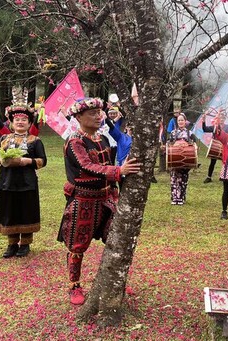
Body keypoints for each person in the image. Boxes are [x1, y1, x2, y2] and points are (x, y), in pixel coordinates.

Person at [58, 97, 141, 305]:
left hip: (107, 199)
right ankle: (74, 285)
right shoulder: (75, 141)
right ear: (78, 117)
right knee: (77, 245)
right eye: (92, 113)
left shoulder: (102, 138)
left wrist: (116, 184)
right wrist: (118, 171)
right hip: (84, 201)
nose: (98, 116)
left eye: (99, 113)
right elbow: (86, 166)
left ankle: (114, 280)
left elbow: (108, 162)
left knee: (116, 240)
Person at [0, 97, 47, 258]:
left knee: (26, 211)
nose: (20, 122)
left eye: (24, 120)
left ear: (29, 123)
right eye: (17, 119)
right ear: (11, 122)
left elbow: (43, 161)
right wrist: (1, 160)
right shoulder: (4, 139)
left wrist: (27, 161)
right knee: (10, 211)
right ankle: (12, 243)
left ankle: (25, 243)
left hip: (27, 182)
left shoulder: (35, 141)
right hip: (6, 182)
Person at [168, 112, 197, 205]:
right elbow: (169, 144)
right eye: (179, 120)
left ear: (185, 121)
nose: (180, 122)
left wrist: (191, 146)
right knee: (174, 178)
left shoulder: (190, 133)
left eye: (182, 120)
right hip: (175, 158)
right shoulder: (173, 133)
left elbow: (194, 143)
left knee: (183, 179)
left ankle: (182, 197)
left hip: (185, 159)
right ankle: (175, 198)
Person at [201, 109, 228, 183]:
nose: (221, 119)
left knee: (225, 162)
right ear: (218, 118)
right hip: (215, 146)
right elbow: (205, 129)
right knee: (212, 162)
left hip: (224, 146)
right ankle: (209, 177)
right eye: (220, 117)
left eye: (223, 118)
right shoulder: (215, 126)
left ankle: (225, 177)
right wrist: (203, 120)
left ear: (225, 118)